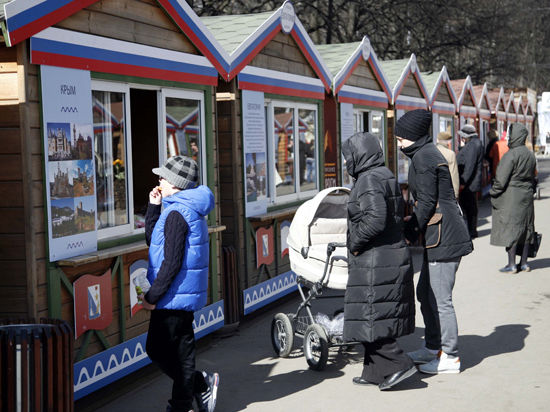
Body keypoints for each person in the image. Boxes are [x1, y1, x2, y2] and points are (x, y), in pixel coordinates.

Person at [395, 110, 473, 375]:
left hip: (445, 237)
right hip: (438, 234)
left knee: (441, 299)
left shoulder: (425, 156)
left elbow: (427, 202)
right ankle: (432, 346)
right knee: (425, 293)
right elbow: (428, 200)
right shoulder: (425, 153)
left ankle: (450, 356)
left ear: (413, 136)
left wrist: (410, 227)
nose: (398, 143)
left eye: (401, 138)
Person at [139, 155, 219, 412]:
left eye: (162, 177)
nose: (159, 180)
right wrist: (153, 206)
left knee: (158, 349)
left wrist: (152, 297)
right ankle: (190, 395)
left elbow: (171, 262)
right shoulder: (182, 208)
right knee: (182, 353)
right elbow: (155, 240)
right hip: (181, 294)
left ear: (175, 183)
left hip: (171, 295)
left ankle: (194, 389)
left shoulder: (176, 213)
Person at [342, 132, 416, 390]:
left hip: (376, 258)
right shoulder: (384, 173)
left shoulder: (368, 179)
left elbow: (374, 219)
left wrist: (354, 243)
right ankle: (374, 372)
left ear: (357, 156)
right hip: (387, 254)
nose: (345, 163)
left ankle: (399, 363)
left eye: (347, 157)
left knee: (371, 316)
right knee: (370, 317)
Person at [490, 123, 537, 273]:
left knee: (511, 229)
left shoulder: (511, 154)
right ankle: (524, 264)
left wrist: (493, 192)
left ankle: (511, 264)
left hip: (511, 196)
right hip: (527, 195)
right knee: (526, 229)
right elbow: (533, 176)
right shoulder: (530, 154)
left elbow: (501, 179)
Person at [457, 124, 484, 238]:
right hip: (472, 183)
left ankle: (471, 231)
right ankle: (471, 230)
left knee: (469, 208)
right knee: (471, 208)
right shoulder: (475, 143)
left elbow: (469, 166)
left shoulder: (472, 145)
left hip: (469, 184)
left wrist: (463, 183)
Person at [436, 131, 460, 198]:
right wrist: (455, 193)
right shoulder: (450, 154)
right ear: (449, 142)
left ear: (437, 140)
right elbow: (453, 174)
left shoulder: (430, 152)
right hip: (445, 190)